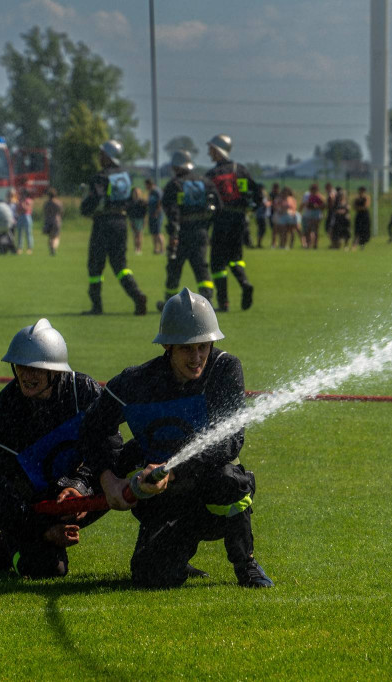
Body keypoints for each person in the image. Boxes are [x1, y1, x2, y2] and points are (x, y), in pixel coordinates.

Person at [79, 288, 273, 589]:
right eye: (186, 348)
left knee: (230, 479)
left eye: (203, 346)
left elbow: (231, 441)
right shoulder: (135, 383)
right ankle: (176, 555)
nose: (197, 358)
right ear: (168, 345)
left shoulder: (224, 370)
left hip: (210, 491)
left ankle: (245, 562)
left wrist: (173, 469)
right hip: (161, 498)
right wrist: (107, 479)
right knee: (150, 577)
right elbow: (92, 429)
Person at [0, 319, 120, 578]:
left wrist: (79, 486)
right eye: (21, 366)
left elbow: (111, 448)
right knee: (49, 569)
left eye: (37, 369)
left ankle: (162, 547)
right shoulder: (1, 413)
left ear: (56, 372)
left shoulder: (84, 393)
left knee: (135, 465)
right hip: (31, 507)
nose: (26, 375)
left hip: (81, 492)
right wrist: (42, 529)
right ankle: (10, 546)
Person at [80, 139, 149, 315]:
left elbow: (95, 198)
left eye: (102, 154)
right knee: (120, 265)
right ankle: (137, 294)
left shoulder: (101, 177)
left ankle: (97, 306)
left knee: (95, 265)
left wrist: (84, 209)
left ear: (108, 157)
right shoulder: (126, 176)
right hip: (121, 223)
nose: (99, 157)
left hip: (103, 223)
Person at [157, 150, 219, 310]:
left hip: (181, 233)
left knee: (174, 268)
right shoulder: (205, 182)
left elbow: (172, 212)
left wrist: (173, 234)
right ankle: (208, 302)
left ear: (176, 167)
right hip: (201, 232)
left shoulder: (174, 185)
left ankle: (168, 304)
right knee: (201, 268)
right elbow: (217, 206)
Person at [205, 134, 259, 312]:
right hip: (239, 221)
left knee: (218, 263)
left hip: (221, 220)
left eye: (211, 149)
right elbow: (256, 193)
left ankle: (224, 302)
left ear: (218, 150)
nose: (209, 153)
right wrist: (250, 210)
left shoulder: (212, 174)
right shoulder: (240, 170)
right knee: (236, 258)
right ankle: (245, 284)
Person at [300, 183, 325, 249]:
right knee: (309, 230)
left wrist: (316, 206)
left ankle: (315, 244)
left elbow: (323, 205)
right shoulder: (308, 196)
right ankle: (309, 244)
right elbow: (305, 204)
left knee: (315, 230)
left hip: (316, 215)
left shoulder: (319, 196)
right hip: (309, 214)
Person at [144, 178, 165, 255]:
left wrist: (157, 212)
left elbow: (160, 202)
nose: (145, 187)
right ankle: (156, 249)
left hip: (157, 214)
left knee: (158, 232)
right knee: (153, 232)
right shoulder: (150, 192)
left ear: (149, 184)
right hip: (151, 213)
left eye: (146, 185)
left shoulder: (156, 191)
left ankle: (162, 249)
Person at [42, 188, 64, 256]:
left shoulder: (46, 203)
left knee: (50, 237)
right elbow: (61, 212)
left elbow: (44, 212)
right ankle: (54, 247)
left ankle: (51, 248)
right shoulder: (58, 203)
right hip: (56, 221)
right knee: (56, 237)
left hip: (48, 221)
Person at [128, 187, 147, 255]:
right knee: (134, 235)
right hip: (133, 219)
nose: (136, 194)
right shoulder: (131, 202)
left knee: (139, 234)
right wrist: (130, 220)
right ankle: (135, 248)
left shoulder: (142, 202)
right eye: (135, 192)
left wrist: (145, 220)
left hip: (140, 219)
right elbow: (129, 212)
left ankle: (139, 248)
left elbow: (145, 212)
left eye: (137, 192)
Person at [15, 188, 34, 255]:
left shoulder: (28, 201)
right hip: (20, 216)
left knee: (28, 233)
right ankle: (19, 248)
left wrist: (22, 203)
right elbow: (17, 210)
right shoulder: (19, 201)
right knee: (20, 233)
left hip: (26, 217)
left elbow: (26, 208)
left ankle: (29, 248)